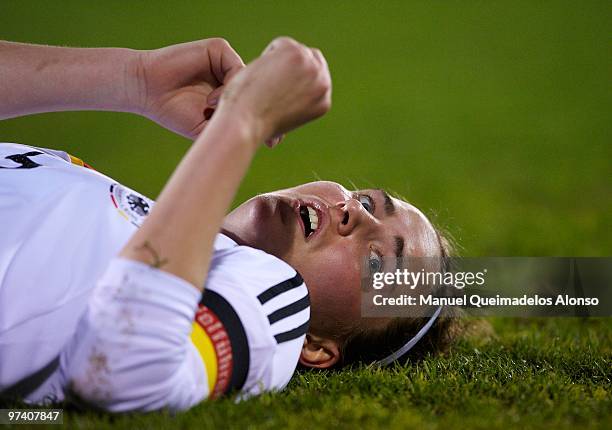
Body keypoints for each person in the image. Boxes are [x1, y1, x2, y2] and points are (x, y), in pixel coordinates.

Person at [0, 37, 455, 412]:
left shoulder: (270, 295)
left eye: (378, 263)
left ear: (316, 347)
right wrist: (133, 79)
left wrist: (244, 120)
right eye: (366, 200)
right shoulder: (143, 221)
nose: (354, 212)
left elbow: (118, 374)